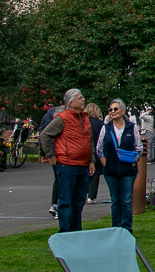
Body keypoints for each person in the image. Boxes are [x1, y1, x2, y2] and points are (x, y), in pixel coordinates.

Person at [39, 89, 96, 232]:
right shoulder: (62, 118)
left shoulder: (84, 118)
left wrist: (91, 160)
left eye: (82, 97)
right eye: (79, 98)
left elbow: (89, 141)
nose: (83, 100)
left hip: (82, 165)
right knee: (66, 201)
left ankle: (76, 231)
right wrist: (51, 156)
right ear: (71, 103)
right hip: (67, 165)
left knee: (79, 201)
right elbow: (44, 135)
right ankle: (65, 231)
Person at [97, 98, 141, 232]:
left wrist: (134, 161)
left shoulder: (131, 128)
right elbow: (99, 148)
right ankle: (115, 228)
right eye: (110, 109)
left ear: (123, 110)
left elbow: (138, 148)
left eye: (115, 109)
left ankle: (127, 228)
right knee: (115, 200)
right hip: (111, 171)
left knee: (126, 200)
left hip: (128, 170)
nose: (112, 112)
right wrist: (106, 163)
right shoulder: (106, 128)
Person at [39, 103, 64, 219]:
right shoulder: (64, 115)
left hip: (52, 150)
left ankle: (54, 204)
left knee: (58, 178)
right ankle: (58, 205)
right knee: (63, 178)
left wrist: (43, 153)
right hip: (60, 151)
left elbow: (41, 133)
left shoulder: (47, 115)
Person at [84, 103, 104, 204]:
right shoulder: (100, 124)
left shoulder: (83, 122)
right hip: (97, 150)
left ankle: (83, 193)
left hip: (85, 150)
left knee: (84, 173)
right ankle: (91, 196)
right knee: (95, 174)